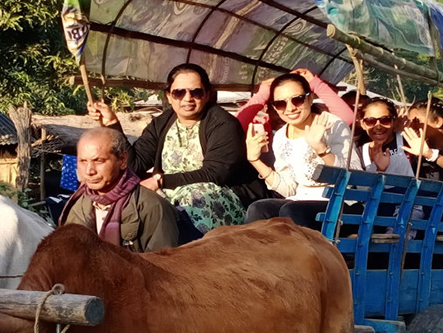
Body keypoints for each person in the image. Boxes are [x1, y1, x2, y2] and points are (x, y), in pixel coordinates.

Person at [87, 64, 260, 241]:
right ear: (169, 96)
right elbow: (135, 164)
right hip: (168, 193)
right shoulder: (162, 122)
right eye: (179, 93)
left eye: (196, 92)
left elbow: (215, 173)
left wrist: (161, 181)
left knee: (195, 196)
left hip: (220, 196)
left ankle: (195, 254)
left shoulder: (223, 124)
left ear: (207, 95)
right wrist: (112, 125)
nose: (188, 98)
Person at [242, 71, 353, 228]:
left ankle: (300, 253)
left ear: (309, 98)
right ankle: (258, 253)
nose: (290, 108)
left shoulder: (332, 125)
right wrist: (254, 159)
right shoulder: (281, 136)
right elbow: (288, 188)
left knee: (292, 211)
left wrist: (321, 148)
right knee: (259, 208)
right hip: (299, 201)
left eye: (297, 100)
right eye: (281, 103)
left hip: (339, 203)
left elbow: (351, 177)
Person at [59, 127, 179, 253]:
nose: (89, 171)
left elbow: (162, 265)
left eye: (99, 161)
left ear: (122, 160)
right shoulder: (78, 206)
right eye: (83, 161)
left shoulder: (151, 207)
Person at [355, 99, 412, 176]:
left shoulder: (409, 143)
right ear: (363, 124)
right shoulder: (359, 153)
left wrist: (429, 155)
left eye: (385, 120)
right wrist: (380, 170)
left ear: (394, 122)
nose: (378, 126)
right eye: (370, 121)